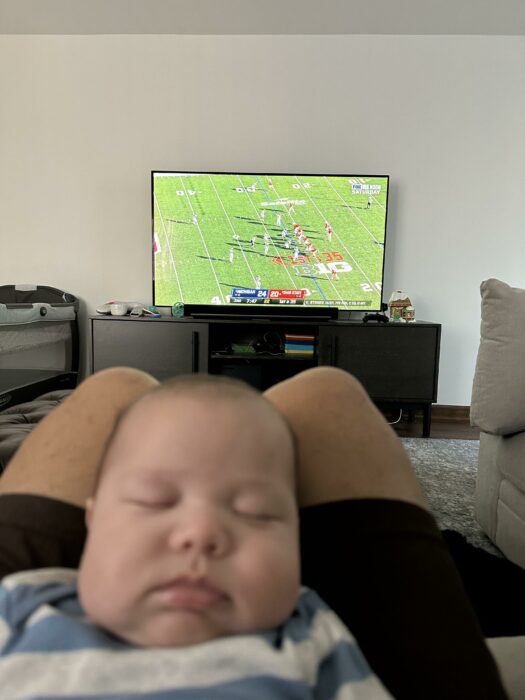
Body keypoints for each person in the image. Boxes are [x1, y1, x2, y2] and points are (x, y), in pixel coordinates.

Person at [0, 367, 508, 699]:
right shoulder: (23, 603)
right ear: (92, 520)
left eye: (258, 513)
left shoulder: (313, 634)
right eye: (154, 501)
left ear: (300, 545)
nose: (200, 534)